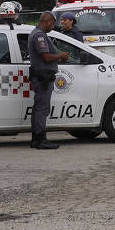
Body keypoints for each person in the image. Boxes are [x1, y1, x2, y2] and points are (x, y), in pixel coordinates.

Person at [27, 12, 69, 150]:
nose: (53, 27)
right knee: (42, 109)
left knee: (38, 107)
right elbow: (45, 56)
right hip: (43, 77)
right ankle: (40, 140)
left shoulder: (36, 33)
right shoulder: (39, 35)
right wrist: (60, 55)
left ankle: (36, 139)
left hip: (40, 76)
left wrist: (57, 56)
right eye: (52, 24)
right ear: (47, 21)